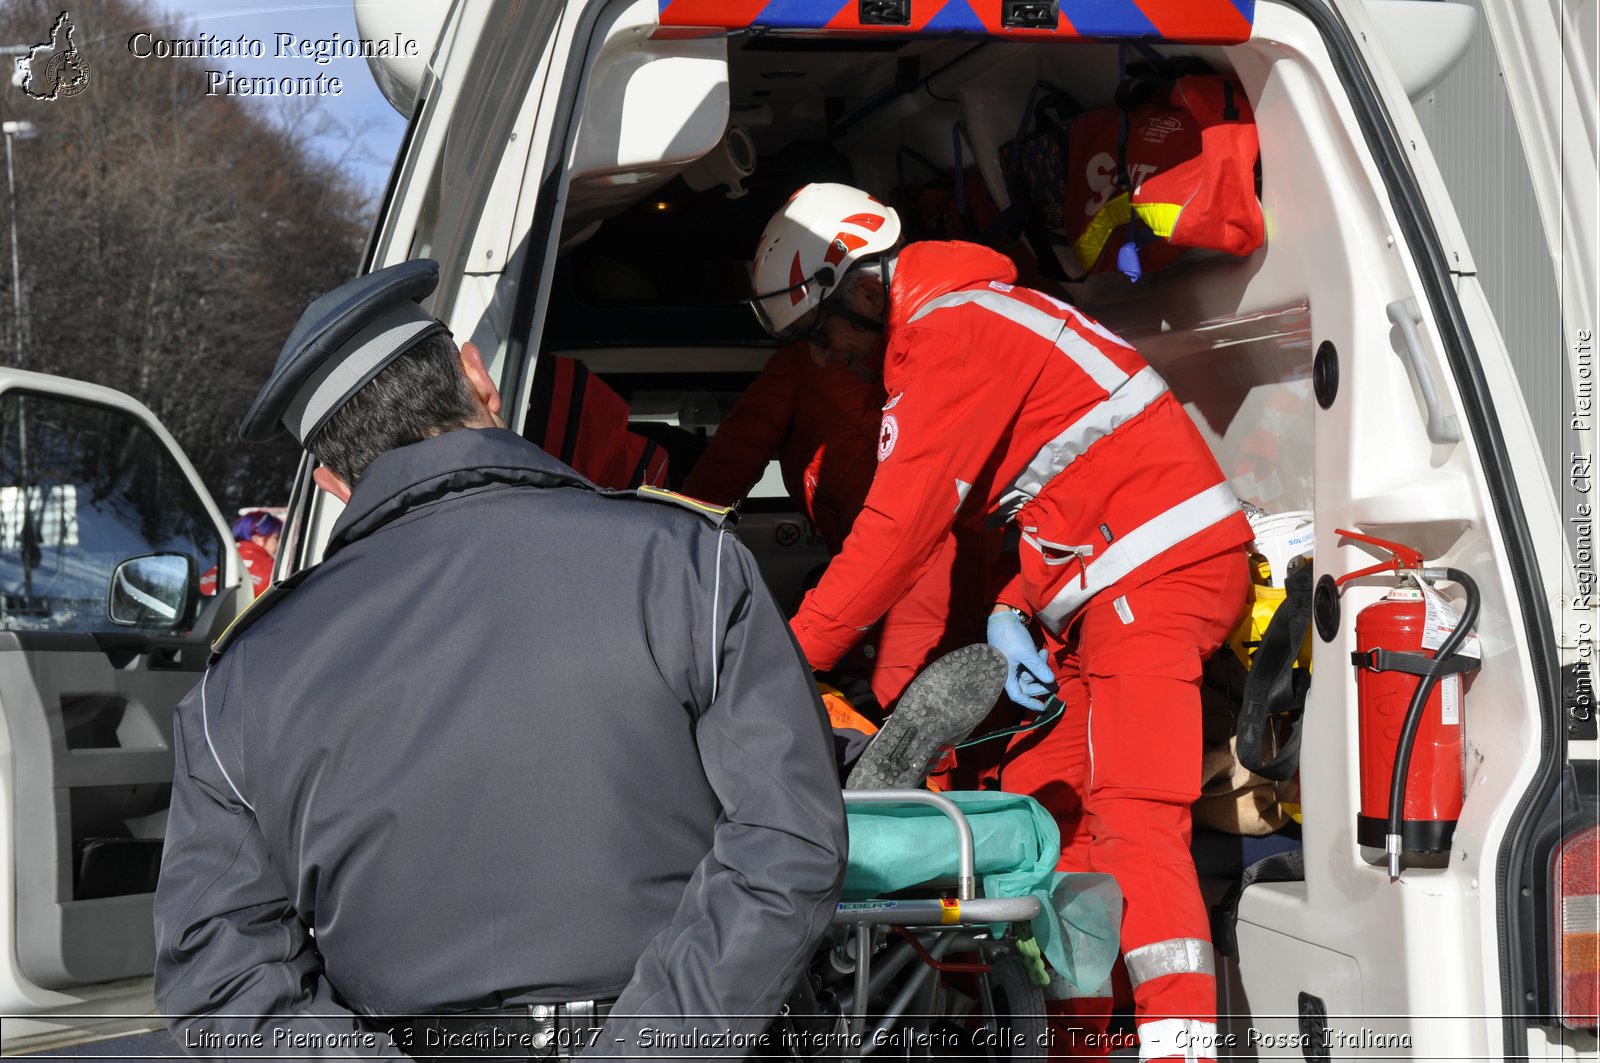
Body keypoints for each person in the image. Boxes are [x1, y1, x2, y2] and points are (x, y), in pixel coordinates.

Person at [153, 260, 849, 1060]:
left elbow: (217, 964)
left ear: (333, 480)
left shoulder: (242, 677)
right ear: (478, 377)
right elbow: (787, 839)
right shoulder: (687, 563)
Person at [748, 184, 1252, 1062]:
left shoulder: (953, 333)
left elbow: (896, 536)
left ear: (864, 289)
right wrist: (1018, 608)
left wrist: (781, 663)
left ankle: (1181, 1046)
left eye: (820, 332)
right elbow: (1055, 478)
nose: (824, 358)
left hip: (1156, 573)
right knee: (1060, 817)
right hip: (1098, 584)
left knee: (1136, 819)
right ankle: (1083, 1043)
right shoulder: (957, 329)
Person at [680, 340, 999, 713]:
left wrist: (672, 553)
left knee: (905, 739)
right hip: (992, 571)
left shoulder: (803, 363)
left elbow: (719, 479)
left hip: (896, 587)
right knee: (982, 734)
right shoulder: (940, 346)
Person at [197, 511, 281, 599]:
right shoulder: (270, 570)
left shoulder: (220, 564)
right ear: (257, 539)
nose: (280, 543)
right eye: (276, 538)